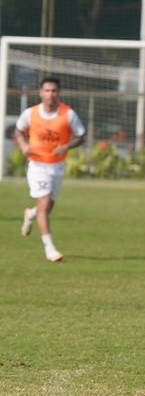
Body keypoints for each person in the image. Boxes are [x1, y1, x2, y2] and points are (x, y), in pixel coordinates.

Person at [15, 77, 85, 262]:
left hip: (57, 166)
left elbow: (81, 135)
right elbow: (18, 131)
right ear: (40, 93)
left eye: (54, 91)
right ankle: (50, 249)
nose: (50, 94)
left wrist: (66, 147)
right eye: (46, 90)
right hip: (37, 165)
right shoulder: (30, 113)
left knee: (47, 207)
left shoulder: (68, 114)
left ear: (59, 93)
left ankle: (30, 213)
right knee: (44, 203)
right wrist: (23, 145)